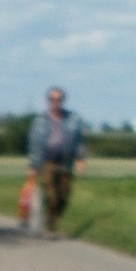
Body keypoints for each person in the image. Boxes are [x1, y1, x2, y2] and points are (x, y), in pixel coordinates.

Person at [27, 87, 86, 234]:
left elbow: (79, 141)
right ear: (48, 101)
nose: (55, 102)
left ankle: (51, 219)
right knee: (51, 194)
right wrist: (33, 166)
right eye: (52, 99)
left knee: (63, 197)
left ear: (63, 101)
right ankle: (50, 224)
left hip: (66, 162)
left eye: (58, 99)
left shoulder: (72, 119)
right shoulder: (40, 121)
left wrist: (80, 159)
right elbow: (34, 144)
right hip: (48, 162)